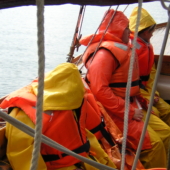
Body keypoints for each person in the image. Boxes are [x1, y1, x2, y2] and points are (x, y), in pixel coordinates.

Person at [80, 9, 170, 168]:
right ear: (117, 30)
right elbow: (99, 90)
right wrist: (128, 110)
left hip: (133, 104)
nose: (130, 32)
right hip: (116, 112)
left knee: (166, 133)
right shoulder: (105, 54)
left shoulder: (122, 48)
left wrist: (142, 100)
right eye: (127, 28)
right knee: (154, 145)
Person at [0, 63, 116, 170]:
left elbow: (83, 136)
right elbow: (22, 155)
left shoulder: (72, 106)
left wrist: (104, 161)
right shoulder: (23, 115)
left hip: (84, 161)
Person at [129, 7, 170, 126]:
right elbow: (129, 82)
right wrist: (146, 98)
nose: (153, 34)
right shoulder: (130, 50)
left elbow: (151, 74)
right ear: (146, 32)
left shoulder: (146, 47)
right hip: (138, 93)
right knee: (156, 112)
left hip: (146, 90)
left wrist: (154, 94)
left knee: (167, 110)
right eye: (152, 32)